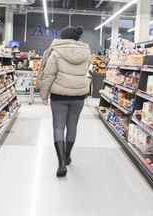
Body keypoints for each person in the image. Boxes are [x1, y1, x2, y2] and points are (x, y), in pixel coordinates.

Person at [39, 26, 91, 177]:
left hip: (59, 96)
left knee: (58, 127)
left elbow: (49, 75)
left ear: (62, 38)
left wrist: (43, 94)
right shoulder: (86, 53)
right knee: (72, 126)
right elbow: (85, 71)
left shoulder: (55, 52)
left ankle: (61, 163)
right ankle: (67, 156)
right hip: (79, 96)